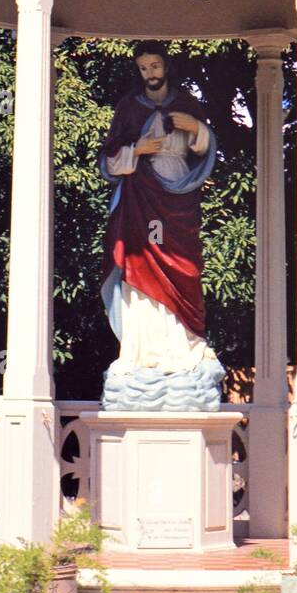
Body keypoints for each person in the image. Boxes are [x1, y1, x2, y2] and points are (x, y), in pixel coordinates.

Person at [97, 41, 225, 410]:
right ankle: (142, 353)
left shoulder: (186, 104)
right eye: (143, 68)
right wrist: (137, 150)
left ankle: (185, 348)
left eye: (155, 65)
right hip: (140, 196)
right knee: (140, 267)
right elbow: (107, 161)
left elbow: (205, 148)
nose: (150, 74)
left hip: (179, 196)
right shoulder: (128, 108)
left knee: (183, 267)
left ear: (166, 66)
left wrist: (198, 129)